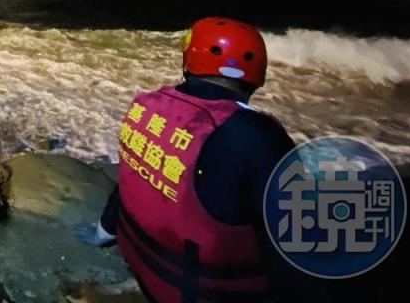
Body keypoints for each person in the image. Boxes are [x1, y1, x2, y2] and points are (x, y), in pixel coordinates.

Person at [76, 17, 300, 302]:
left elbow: (129, 178)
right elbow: (296, 232)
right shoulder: (255, 135)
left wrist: (102, 232)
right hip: (197, 292)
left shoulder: (146, 105)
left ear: (189, 63)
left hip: (144, 265)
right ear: (257, 75)